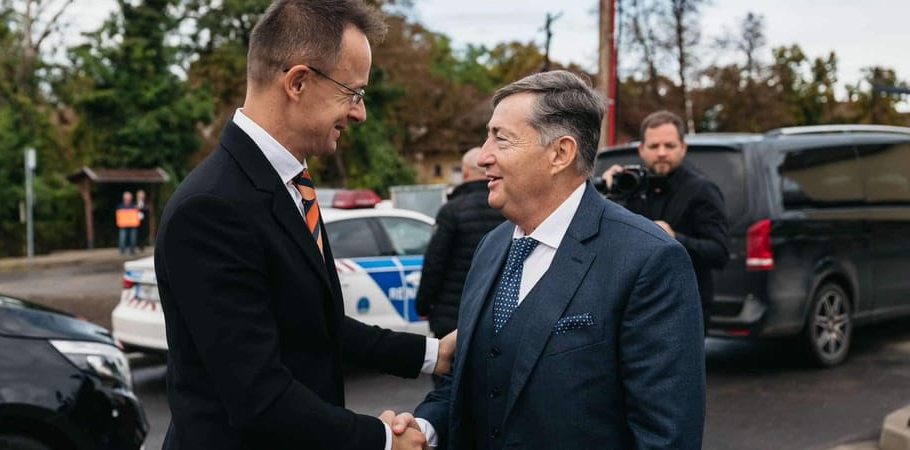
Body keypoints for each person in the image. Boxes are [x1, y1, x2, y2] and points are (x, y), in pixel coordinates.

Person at [154, 1, 454, 449]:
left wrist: (434, 354)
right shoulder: (212, 208)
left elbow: (315, 324)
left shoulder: (287, 184)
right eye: (353, 93)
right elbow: (259, 398)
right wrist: (384, 441)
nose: (360, 113)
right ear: (298, 82)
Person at [385, 70, 706, 449]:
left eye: (501, 139)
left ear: (560, 154)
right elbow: (470, 377)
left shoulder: (648, 259)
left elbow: (666, 434)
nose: (484, 156)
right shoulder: (491, 247)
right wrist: (426, 427)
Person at [601, 110, 728, 329]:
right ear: (641, 150)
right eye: (654, 146)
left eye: (669, 146)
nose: (661, 153)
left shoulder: (702, 190)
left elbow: (719, 253)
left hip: (683, 307)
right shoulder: (629, 187)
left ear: (683, 148)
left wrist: (674, 238)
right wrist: (606, 192)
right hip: (632, 305)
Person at [416, 146, 505, 341]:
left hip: (453, 315)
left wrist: (423, 305)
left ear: (464, 173)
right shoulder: (507, 207)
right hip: (496, 314)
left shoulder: (451, 210)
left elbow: (435, 263)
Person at [115, 191, 139, 256]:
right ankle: (122, 251)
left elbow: (137, 214)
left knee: (133, 238)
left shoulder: (134, 206)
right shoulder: (120, 206)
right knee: (122, 238)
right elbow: (118, 215)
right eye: (126, 198)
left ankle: (132, 251)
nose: (128, 200)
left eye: (129, 198)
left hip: (133, 225)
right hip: (123, 225)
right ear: (124, 199)